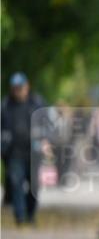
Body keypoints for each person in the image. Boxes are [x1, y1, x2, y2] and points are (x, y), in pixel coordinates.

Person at [1, 73, 49, 225]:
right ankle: (20, 217)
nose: (17, 91)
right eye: (15, 88)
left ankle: (31, 214)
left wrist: (45, 141)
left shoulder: (37, 103)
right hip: (14, 152)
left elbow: (47, 125)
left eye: (20, 88)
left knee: (34, 185)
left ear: (27, 87)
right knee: (16, 183)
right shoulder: (5, 105)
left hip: (34, 152)